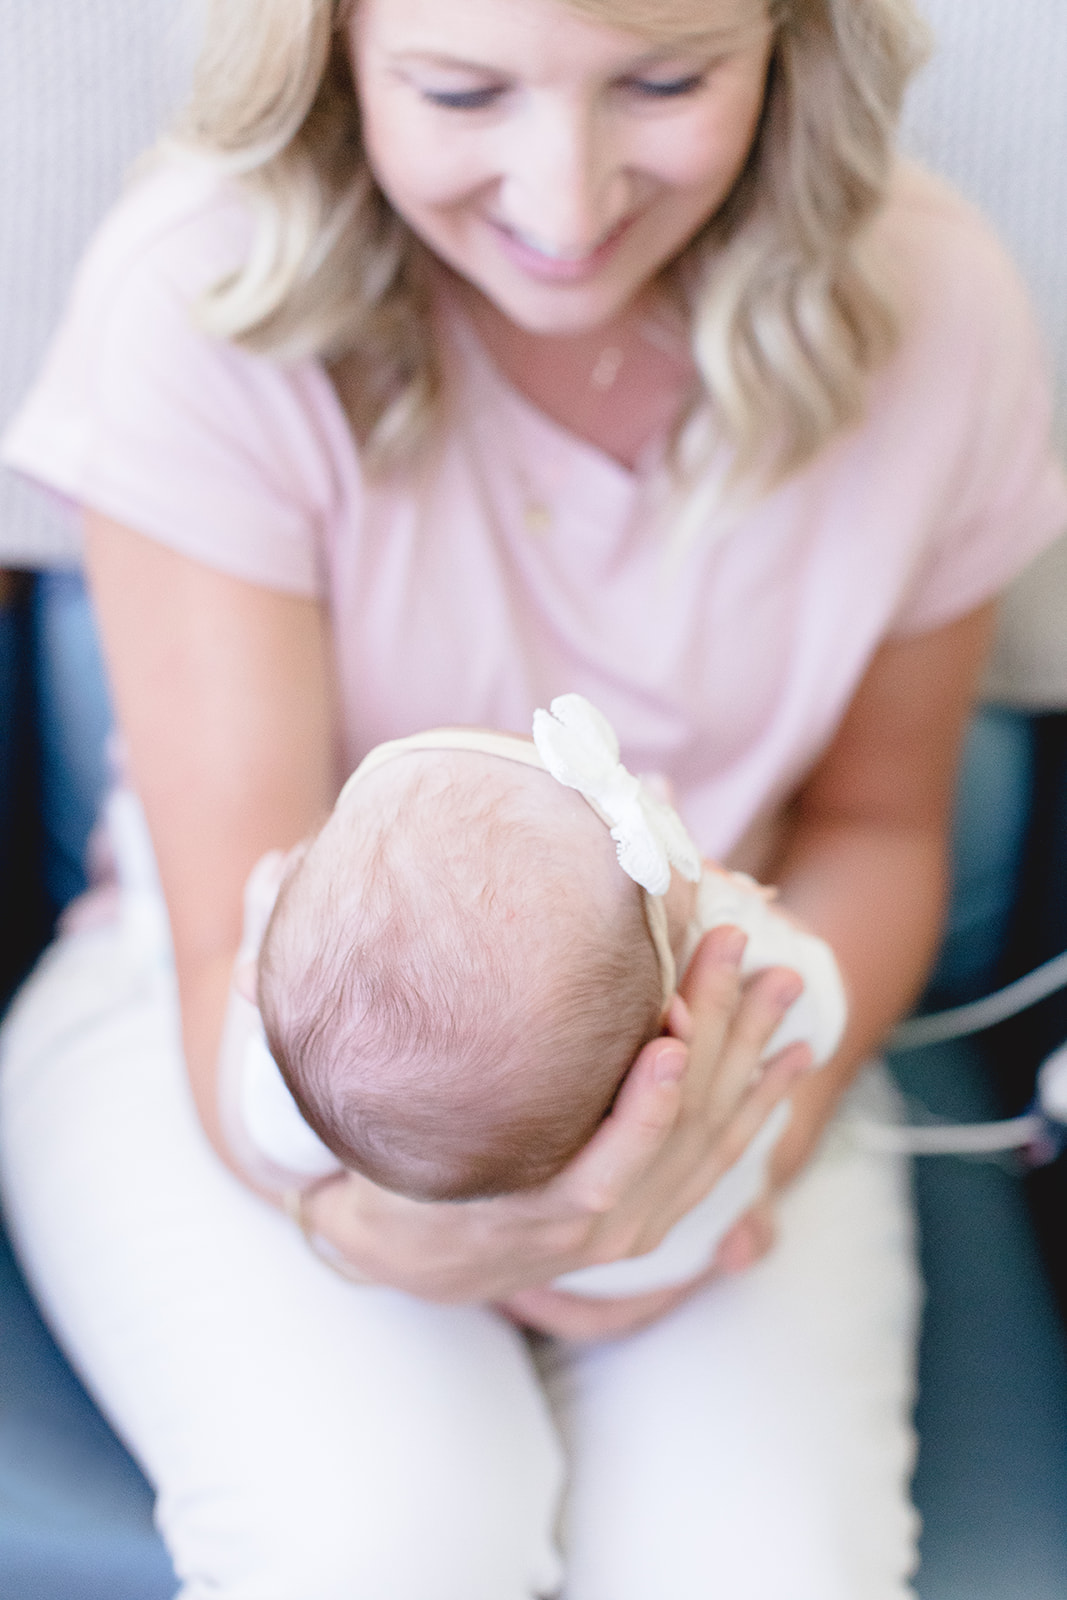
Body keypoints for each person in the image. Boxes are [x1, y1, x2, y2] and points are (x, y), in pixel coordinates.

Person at [1, 0, 1064, 1594]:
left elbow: (872, 830)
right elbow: (241, 952)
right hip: (232, 1012)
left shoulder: (933, 306)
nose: (563, 205)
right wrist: (373, 1219)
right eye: (457, 89)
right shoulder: (201, 288)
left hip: (718, 1034)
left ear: (788, 40)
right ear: (333, 50)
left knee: (765, 1567)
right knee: (382, 1541)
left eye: (662, 79)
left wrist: (712, 1144)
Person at [239, 693, 846, 1296]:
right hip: (641, 1250)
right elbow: (821, 1010)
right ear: (666, 1018)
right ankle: (723, 1244)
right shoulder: (711, 955)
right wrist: (751, 918)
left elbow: (265, 1140)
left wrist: (260, 935)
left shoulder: (302, 1042)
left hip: (453, 1248)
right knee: (725, 1191)